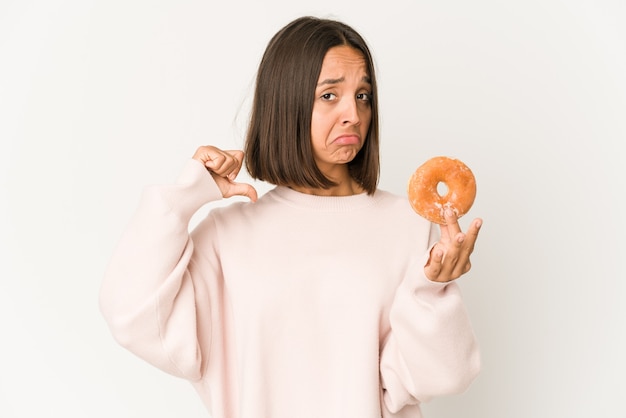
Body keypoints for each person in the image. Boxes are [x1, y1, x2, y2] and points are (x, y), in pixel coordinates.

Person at [99, 15, 483, 418]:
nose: (353, 114)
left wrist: (433, 291)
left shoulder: (409, 225)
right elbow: (132, 314)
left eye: (363, 95)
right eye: (330, 95)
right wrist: (186, 197)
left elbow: (444, 377)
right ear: (287, 101)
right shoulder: (227, 235)